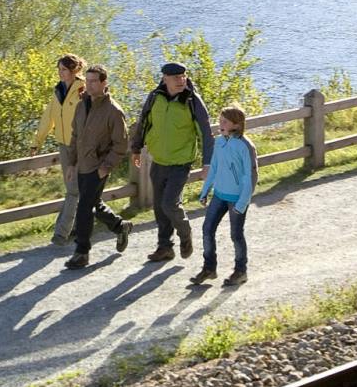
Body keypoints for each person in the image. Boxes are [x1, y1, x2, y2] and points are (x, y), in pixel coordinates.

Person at [129, 60, 215, 263]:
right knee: (159, 206)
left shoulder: (192, 101)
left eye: (183, 76)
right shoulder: (154, 98)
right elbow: (143, 122)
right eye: (176, 77)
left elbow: (205, 133)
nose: (180, 80)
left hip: (181, 162)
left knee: (169, 203)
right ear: (164, 78)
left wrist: (207, 163)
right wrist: (136, 149)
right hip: (158, 160)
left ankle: (185, 233)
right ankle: (164, 247)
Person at [65, 64, 131, 270]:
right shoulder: (81, 105)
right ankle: (121, 226)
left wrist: (106, 167)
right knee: (93, 204)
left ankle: (81, 252)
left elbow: (121, 144)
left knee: (84, 207)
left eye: (94, 81)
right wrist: (71, 163)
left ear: (104, 83)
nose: (90, 85)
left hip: (98, 167)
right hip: (82, 166)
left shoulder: (113, 111)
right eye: (88, 80)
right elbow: (75, 136)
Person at [192, 106, 256, 288]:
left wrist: (242, 202)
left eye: (224, 122)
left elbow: (250, 176)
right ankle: (209, 268)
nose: (220, 124)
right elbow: (214, 168)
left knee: (236, 235)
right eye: (220, 121)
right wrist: (205, 191)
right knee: (207, 230)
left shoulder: (245, 146)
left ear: (236, 124)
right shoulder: (219, 142)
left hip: (237, 199)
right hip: (219, 195)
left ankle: (240, 271)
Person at [32, 53, 87, 246]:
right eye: (59, 69)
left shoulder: (83, 90)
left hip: (79, 145)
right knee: (78, 189)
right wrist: (37, 141)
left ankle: (61, 233)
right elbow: (49, 117)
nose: (60, 73)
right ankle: (113, 223)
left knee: (73, 190)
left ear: (75, 71)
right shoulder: (58, 91)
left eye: (64, 69)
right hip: (63, 145)